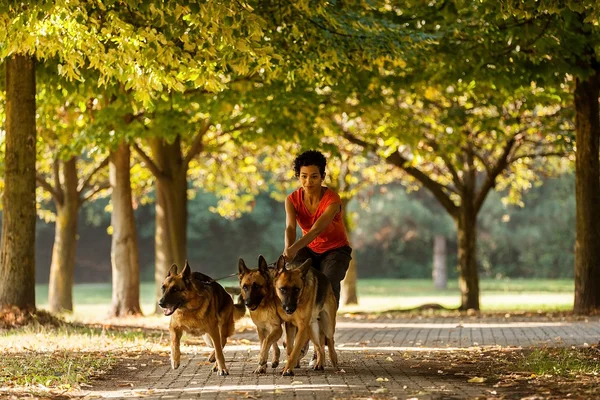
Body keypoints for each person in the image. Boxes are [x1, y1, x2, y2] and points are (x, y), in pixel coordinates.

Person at [282, 150, 352, 307]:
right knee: (295, 276)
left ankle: (326, 323)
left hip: (336, 250)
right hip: (308, 249)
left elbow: (316, 230)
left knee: (327, 282)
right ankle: (301, 316)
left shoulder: (332, 200)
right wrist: (288, 249)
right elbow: (290, 228)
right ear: (298, 176)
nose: (308, 181)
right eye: (304, 176)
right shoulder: (292, 200)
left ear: (322, 177)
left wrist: (293, 248)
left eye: (314, 176)